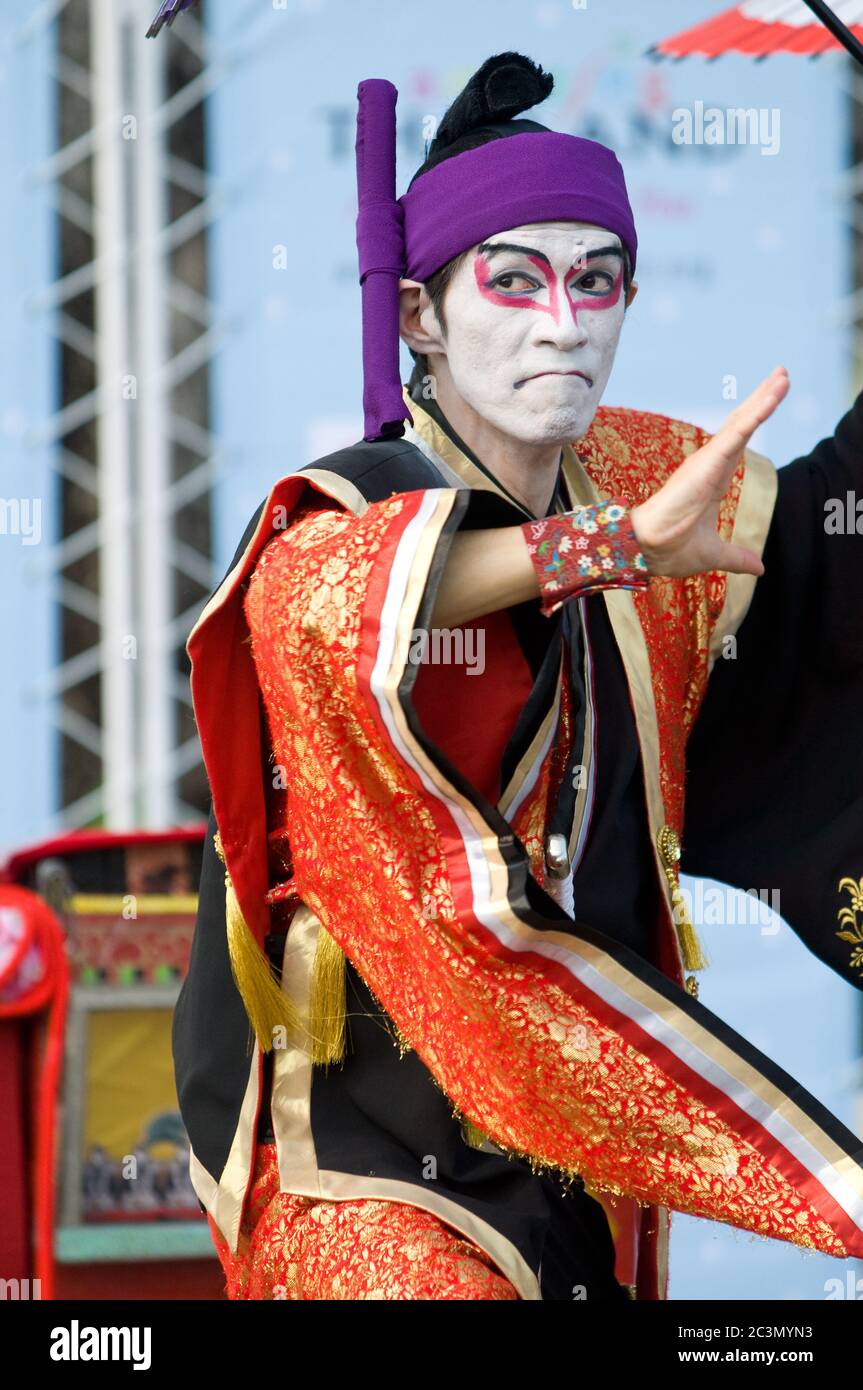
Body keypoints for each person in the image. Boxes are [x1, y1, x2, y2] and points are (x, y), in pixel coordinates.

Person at [173, 53, 863, 1300]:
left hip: (568, 1134)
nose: (562, 320)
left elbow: (823, 547)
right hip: (368, 1154)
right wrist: (611, 552)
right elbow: (320, 604)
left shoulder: (634, 472)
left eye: (595, 281)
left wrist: (642, 535)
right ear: (417, 317)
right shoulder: (353, 503)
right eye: (512, 280)